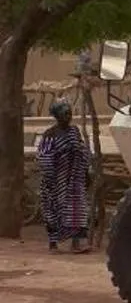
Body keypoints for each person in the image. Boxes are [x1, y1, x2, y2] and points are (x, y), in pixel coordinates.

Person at [36, 99, 93, 254]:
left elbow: (82, 151)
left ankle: (76, 244)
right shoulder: (50, 134)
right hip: (54, 181)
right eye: (65, 113)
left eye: (69, 113)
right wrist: (51, 176)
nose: (68, 116)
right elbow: (44, 157)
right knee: (53, 212)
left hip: (74, 180)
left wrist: (86, 171)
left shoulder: (74, 131)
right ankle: (53, 244)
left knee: (76, 211)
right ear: (57, 115)